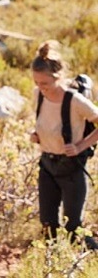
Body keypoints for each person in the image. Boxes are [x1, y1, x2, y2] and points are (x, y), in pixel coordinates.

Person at [29, 39, 98, 248]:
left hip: (71, 169)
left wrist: (80, 146)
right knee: (47, 225)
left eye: (45, 83)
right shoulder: (38, 95)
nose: (41, 88)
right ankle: (52, 265)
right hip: (47, 167)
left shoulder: (75, 101)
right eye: (37, 83)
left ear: (58, 77)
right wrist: (37, 135)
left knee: (73, 227)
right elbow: (45, 123)